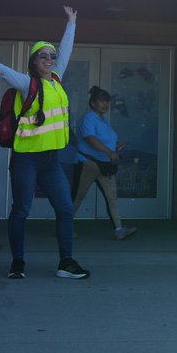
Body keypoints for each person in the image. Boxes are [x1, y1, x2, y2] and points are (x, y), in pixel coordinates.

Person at [0, 5, 90, 280]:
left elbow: (66, 51)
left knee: (65, 209)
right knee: (21, 210)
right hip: (27, 158)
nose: (49, 59)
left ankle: (66, 263)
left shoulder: (56, 80)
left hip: (51, 160)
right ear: (34, 61)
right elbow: (1, 70)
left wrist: (71, 22)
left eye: (51, 55)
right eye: (42, 55)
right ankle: (18, 262)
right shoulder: (27, 84)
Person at [71, 85, 137, 241]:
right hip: (88, 163)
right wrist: (109, 152)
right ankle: (65, 227)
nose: (105, 104)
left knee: (112, 197)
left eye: (107, 101)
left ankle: (119, 230)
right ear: (93, 103)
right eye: (101, 101)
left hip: (105, 165)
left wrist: (116, 145)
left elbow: (104, 139)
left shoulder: (103, 120)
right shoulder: (88, 118)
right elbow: (90, 138)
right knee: (77, 197)